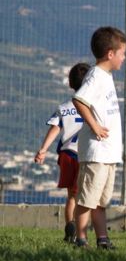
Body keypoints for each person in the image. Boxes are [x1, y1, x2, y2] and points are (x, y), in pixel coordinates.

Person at [72, 26, 126, 249]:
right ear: (110, 53)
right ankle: (81, 239)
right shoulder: (95, 76)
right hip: (96, 152)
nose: (124, 58)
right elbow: (79, 100)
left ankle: (102, 239)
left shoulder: (106, 76)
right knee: (87, 199)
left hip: (108, 153)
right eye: (122, 53)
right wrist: (94, 125)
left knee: (101, 201)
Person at [34, 62, 90, 243]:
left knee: (71, 196)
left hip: (67, 155)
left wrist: (43, 150)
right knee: (86, 196)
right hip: (86, 155)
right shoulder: (95, 107)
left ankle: (70, 228)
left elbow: (54, 128)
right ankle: (82, 233)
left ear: (70, 84)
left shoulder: (64, 107)